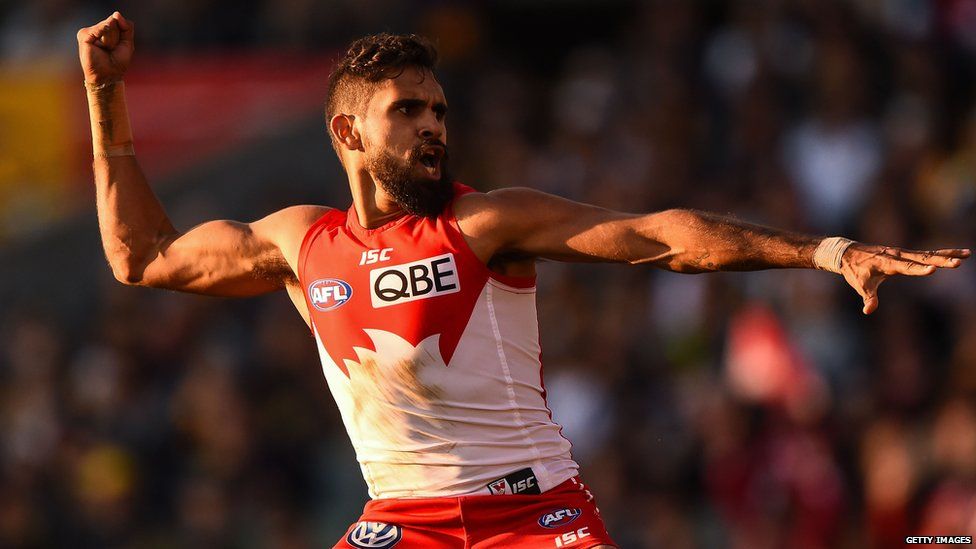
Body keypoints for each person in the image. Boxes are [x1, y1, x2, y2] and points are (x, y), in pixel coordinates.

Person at [77, 11, 970, 549]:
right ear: (348, 135)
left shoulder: (484, 221)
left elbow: (659, 238)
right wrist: (104, 95)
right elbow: (139, 257)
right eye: (408, 111)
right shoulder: (297, 242)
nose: (435, 126)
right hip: (404, 520)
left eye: (440, 109)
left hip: (533, 516)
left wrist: (822, 251)